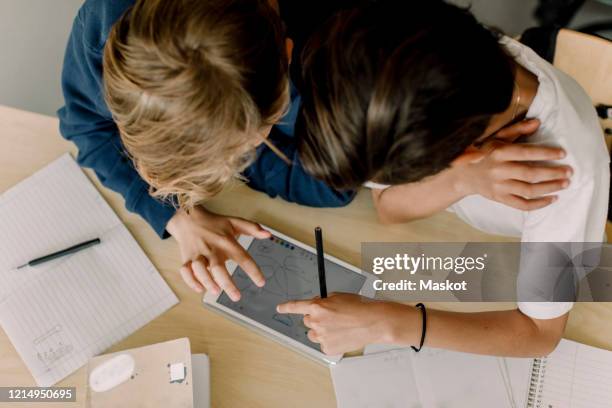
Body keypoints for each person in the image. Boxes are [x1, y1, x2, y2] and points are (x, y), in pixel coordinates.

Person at [60, 0, 569, 301]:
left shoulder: (353, 49)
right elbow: (86, 127)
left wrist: (403, 323)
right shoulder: (115, 26)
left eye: (248, 145)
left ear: (287, 58)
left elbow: (344, 186)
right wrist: (177, 216)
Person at [278, 0, 609, 356]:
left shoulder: (566, 180)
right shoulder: (446, 55)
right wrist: (463, 181)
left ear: (461, 155)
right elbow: (388, 208)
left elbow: (539, 334)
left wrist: (386, 323)